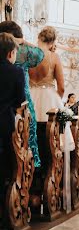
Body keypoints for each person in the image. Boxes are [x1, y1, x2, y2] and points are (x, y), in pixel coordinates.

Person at [0, 21, 44, 168]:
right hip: (18, 104)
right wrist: (24, 42)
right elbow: (40, 54)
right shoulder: (24, 51)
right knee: (24, 135)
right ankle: (27, 169)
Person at [30, 26, 74, 156]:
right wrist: (57, 101)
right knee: (51, 137)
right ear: (52, 42)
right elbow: (61, 87)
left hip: (31, 97)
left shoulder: (29, 55)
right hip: (49, 98)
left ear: (39, 38)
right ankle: (50, 167)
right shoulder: (54, 57)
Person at [0, 33, 25, 192]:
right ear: (10, 53)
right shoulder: (16, 72)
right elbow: (19, 101)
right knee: (6, 166)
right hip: (4, 123)